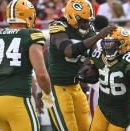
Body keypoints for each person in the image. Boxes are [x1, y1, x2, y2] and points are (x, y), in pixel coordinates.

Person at [48, 0, 116, 130]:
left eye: (89, 21)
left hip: (76, 86)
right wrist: (98, 36)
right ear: (72, 17)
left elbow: (94, 56)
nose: (87, 24)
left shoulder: (88, 30)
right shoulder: (59, 26)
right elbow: (68, 51)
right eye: (83, 21)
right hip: (58, 87)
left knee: (86, 127)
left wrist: (91, 67)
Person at [0, 0, 55, 131]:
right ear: (29, 15)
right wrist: (48, 94)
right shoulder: (31, 35)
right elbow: (41, 74)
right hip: (17, 101)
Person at [78, 27, 130, 131]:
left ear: (122, 44)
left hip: (121, 113)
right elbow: (91, 70)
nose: (107, 47)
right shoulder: (99, 56)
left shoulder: (129, 59)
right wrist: (85, 71)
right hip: (103, 108)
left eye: (111, 44)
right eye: (105, 43)